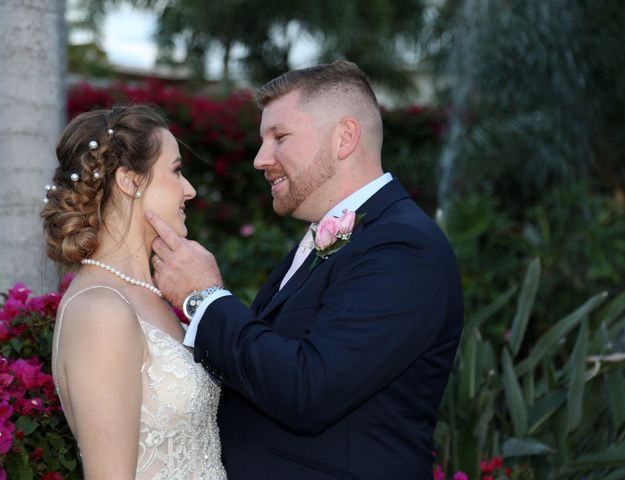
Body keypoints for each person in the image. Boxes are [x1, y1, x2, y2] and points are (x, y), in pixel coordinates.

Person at [148, 61, 464, 479]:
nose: (261, 159)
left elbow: (308, 390)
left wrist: (204, 297)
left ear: (345, 137)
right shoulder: (329, 237)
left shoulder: (404, 247)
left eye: (280, 137)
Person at [41, 105, 227, 479]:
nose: (189, 190)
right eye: (176, 171)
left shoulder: (150, 295)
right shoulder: (100, 311)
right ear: (130, 181)